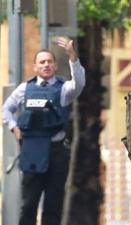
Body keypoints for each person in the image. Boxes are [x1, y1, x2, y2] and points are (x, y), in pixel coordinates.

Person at [2, 37, 86, 225]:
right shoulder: (25, 88)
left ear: (55, 66)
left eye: (50, 61)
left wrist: (73, 57)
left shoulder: (63, 89)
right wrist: (13, 127)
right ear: (35, 67)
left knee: (53, 205)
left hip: (57, 151)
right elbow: (6, 109)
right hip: (33, 151)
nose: (46, 65)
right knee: (29, 204)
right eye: (42, 62)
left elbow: (79, 83)